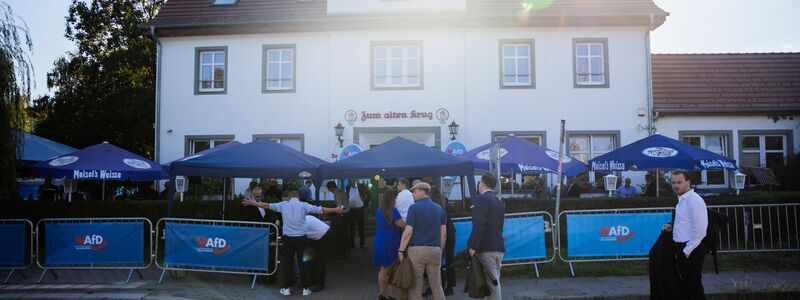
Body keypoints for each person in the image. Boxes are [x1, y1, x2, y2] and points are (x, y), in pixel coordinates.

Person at [243, 188, 343, 296]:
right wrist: (336, 209)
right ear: (298, 197)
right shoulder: (303, 205)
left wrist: (253, 203)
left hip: (289, 239)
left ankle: (286, 289)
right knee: (303, 264)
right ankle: (305, 289)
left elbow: (267, 205)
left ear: (289, 198)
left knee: (288, 264)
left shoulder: (283, 205)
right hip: (302, 239)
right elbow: (320, 209)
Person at [661, 169, 708, 300]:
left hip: (691, 249)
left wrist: (686, 250)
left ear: (688, 182)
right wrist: (672, 225)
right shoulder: (682, 200)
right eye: (673, 182)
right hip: (683, 248)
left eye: (679, 182)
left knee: (694, 287)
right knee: (686, 287)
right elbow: (686, 221)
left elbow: (700, 230)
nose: (676, 185)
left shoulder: (694, 201)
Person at [397, 182, 446, 300]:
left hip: (417, 251)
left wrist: (401, 250)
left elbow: (408, 231)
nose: (412, 194)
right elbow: (443, 233)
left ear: (422, 192)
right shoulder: (439, 208)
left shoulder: (413, 208)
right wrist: (440, 249)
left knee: (416, 286)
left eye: (414, 191)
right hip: (435, 250)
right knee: (436, 286)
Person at [468, 173, 506, 300]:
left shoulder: (483, 199)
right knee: (494, 282)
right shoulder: (497, 200)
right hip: (498, 247)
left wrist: (472, 246)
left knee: (492, 284)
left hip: (486, 248)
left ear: (482, 183)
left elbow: (479, 225)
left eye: (479, 182)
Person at [374, 188, 405, 300]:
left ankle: (381, 294)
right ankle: (392, 296)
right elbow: (401, 224)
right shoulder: (393, 210)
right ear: (393, 198)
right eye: (396, 197)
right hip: (391, 240)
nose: (396, 199)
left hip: (380, 239)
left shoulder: (379, 209)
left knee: (383, 268)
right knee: (392, 269)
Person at [426, 184, 456, 296]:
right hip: (448, 235)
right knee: (446, 261)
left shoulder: (438, 207)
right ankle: (443, 286)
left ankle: (444, 286)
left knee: (444, 261)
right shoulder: (443, 205)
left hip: (445, 235)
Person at [305, 214, 331, 292]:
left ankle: (320, 284)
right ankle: (312, 280)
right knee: (309, 258)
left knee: (320, 260)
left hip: (324, 235)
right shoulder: (301, 219)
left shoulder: (303, 222)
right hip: (313, 237)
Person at [326, 180, 350, 258]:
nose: (329, 191)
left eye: (329, 189)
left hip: (342, 216)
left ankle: (341, 253)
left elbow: (340, 207)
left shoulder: (338, 194)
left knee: (340, 235)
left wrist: (333, 211)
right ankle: (345, 251)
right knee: (344, 234)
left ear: (331, 188)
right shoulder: (341, 192)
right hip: (346, 214)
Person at [348, 180, 366, 249]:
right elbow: (348, 196)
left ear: (354, 180)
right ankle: (351, 244)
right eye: (349, 181)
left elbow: (368, 194)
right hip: (351, 210)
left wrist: (365, 204)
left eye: (350, 181)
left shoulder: (361, 186)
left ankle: (362, 243)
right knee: (351, 227)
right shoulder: (348, 187)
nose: (349, 183)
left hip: (359, 209)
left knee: (360, 227)